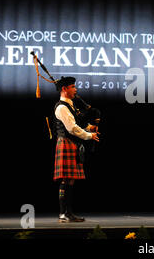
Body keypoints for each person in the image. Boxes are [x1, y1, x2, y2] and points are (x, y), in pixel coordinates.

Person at [53, 76, 100, 222]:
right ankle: (63, 213)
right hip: (66, 142)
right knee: (66, 180)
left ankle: (68, 213)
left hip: (72, 143)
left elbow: (77, 123)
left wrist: (88, 128)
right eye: (72, 87)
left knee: (70, 180)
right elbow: (72, 128)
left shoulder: (70, 105)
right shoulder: (61, 107)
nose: (76, 89)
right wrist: (88, 136)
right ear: (64, 89)